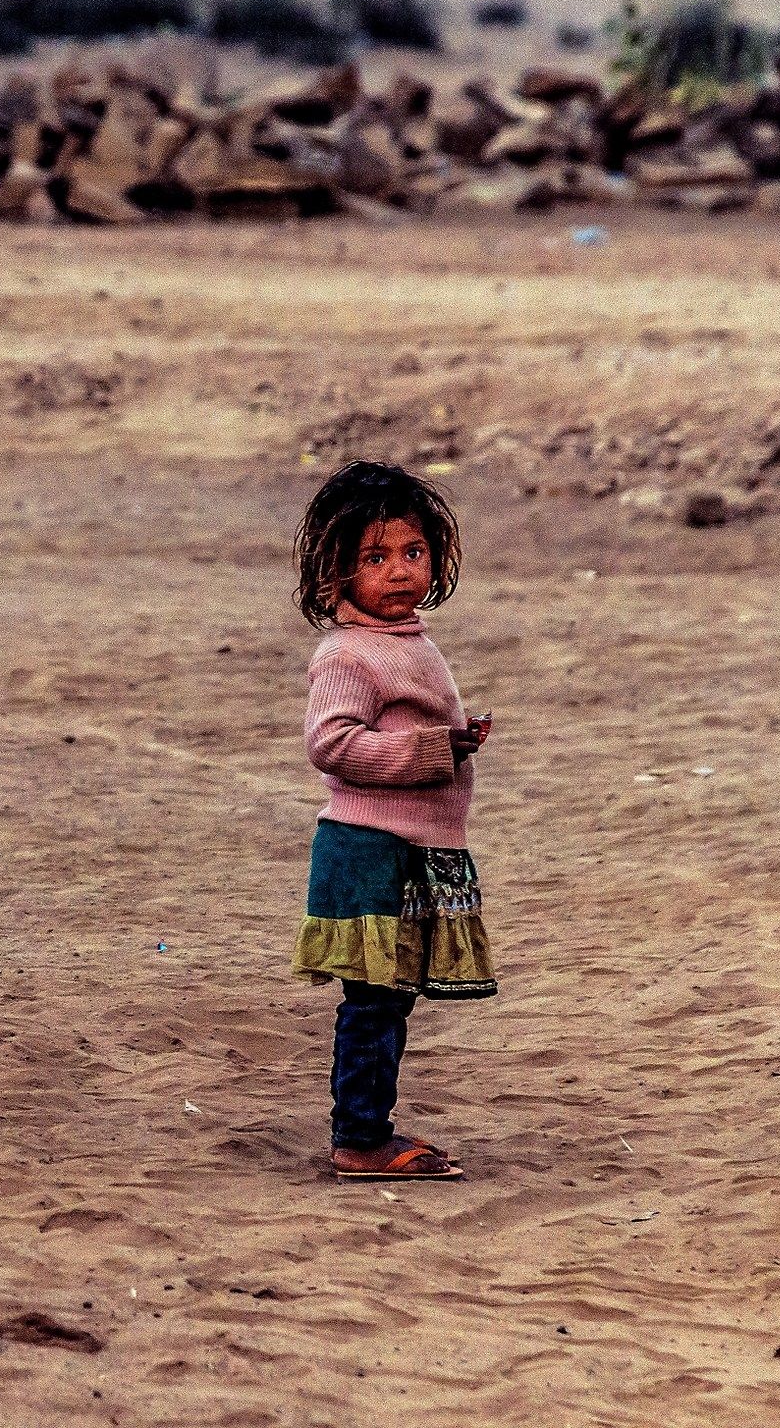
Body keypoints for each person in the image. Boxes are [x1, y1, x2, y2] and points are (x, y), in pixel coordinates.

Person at [289, 461, 494, 1181]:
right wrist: (430, 749)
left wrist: (454, 740)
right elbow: (332, 743)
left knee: (392, 994)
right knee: (375, 999)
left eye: (412, 552)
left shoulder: (408, 641)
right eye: (374, 558)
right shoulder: (347, 653)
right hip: (368, 849)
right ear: (335, 575)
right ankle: (360, 1136)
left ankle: (369, 1127)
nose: (399, 571)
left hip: (405, 849)